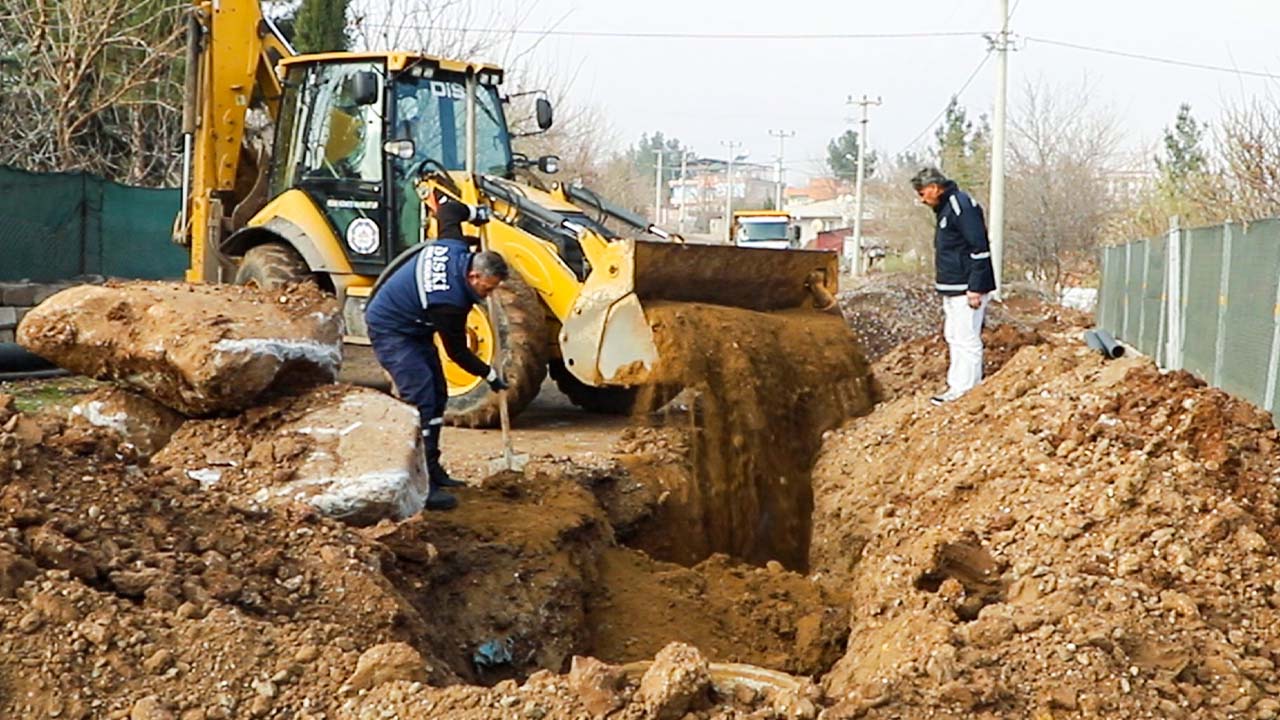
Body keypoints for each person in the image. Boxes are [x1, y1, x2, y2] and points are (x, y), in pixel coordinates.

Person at [365, 196, 509, 510]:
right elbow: (457, 352)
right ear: (473, 277)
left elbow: (448, 209)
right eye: (487, 289)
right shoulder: (451, 302)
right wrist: (490, 375)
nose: (488, 295)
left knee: (439, 393)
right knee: (422, 399)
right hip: (392, 329)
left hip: (415, 327)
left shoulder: (454, 246)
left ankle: (434, 467)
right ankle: (421, 485)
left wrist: (476, 213)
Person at [910, 167, 997, 405]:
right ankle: (956, 385)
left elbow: (978, 246)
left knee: (967, 337)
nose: (921, 198)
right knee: (954, 335)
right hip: (952, 286)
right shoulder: (946, 208)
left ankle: (967, 390)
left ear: (934, 188)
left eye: (922, 192)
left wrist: (976, 287)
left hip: (966, 287)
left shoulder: (961, 206)